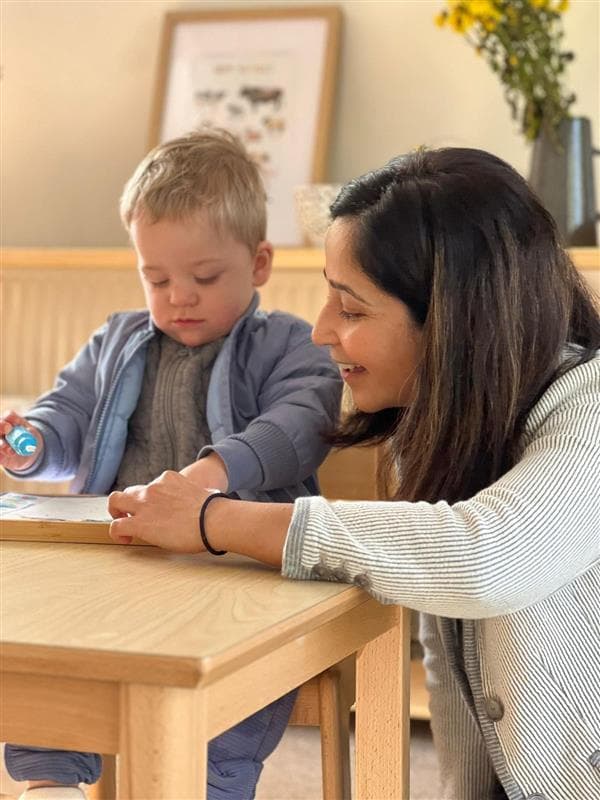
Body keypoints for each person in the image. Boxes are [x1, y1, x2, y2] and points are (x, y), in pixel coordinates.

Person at [107, 147, 600, 800]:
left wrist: (213, 518)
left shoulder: (588, 409)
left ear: (455, 319)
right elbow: (458, 682)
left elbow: (486, 559)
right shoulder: (432, 426)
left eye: (352, 309)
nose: (320, 331)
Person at [0, 129, 342, 800]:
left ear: (260, 262)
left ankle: (206, 786)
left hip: (239, 573)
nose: (178, 296)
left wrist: (208, 477)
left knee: (225, 709)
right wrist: (32, 444)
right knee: (51, 651)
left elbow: (302, 424)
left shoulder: (288, 345)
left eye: (203, 277)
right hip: (119, 565)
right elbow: (65, 412)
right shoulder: (116, 341)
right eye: (156, 278)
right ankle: (50, 783)